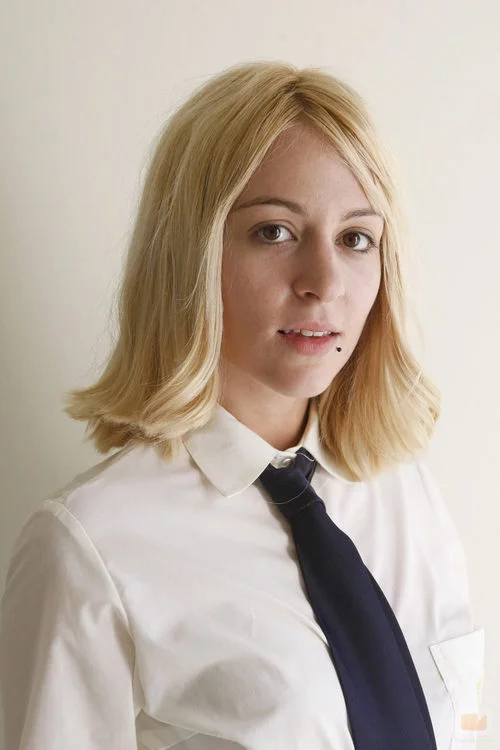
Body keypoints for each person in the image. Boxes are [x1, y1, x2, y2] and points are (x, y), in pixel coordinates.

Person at [0, 61, 485, 749]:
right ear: (190, 254)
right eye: (274, 232)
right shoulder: (90, 548)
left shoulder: (404, 492)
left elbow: (467, 724)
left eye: (355, 238)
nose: (324, 282)